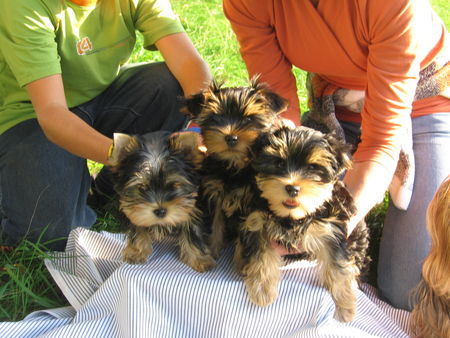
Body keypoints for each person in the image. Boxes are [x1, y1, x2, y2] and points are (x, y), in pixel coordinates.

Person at [223, 0, 450, 311]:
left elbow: (381, 143)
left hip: (425, 105)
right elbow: (278, 113)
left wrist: (335, 225)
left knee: (409, 289)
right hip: (338, 108)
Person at [0, 0, 211, 251]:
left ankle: (105, 190)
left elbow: (189, 64)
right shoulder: (23, 5)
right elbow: (52, 114)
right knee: (55, 238)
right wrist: (123, 155)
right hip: (31, 114)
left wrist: (200, 125)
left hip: (103, 95)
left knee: (172, 86)